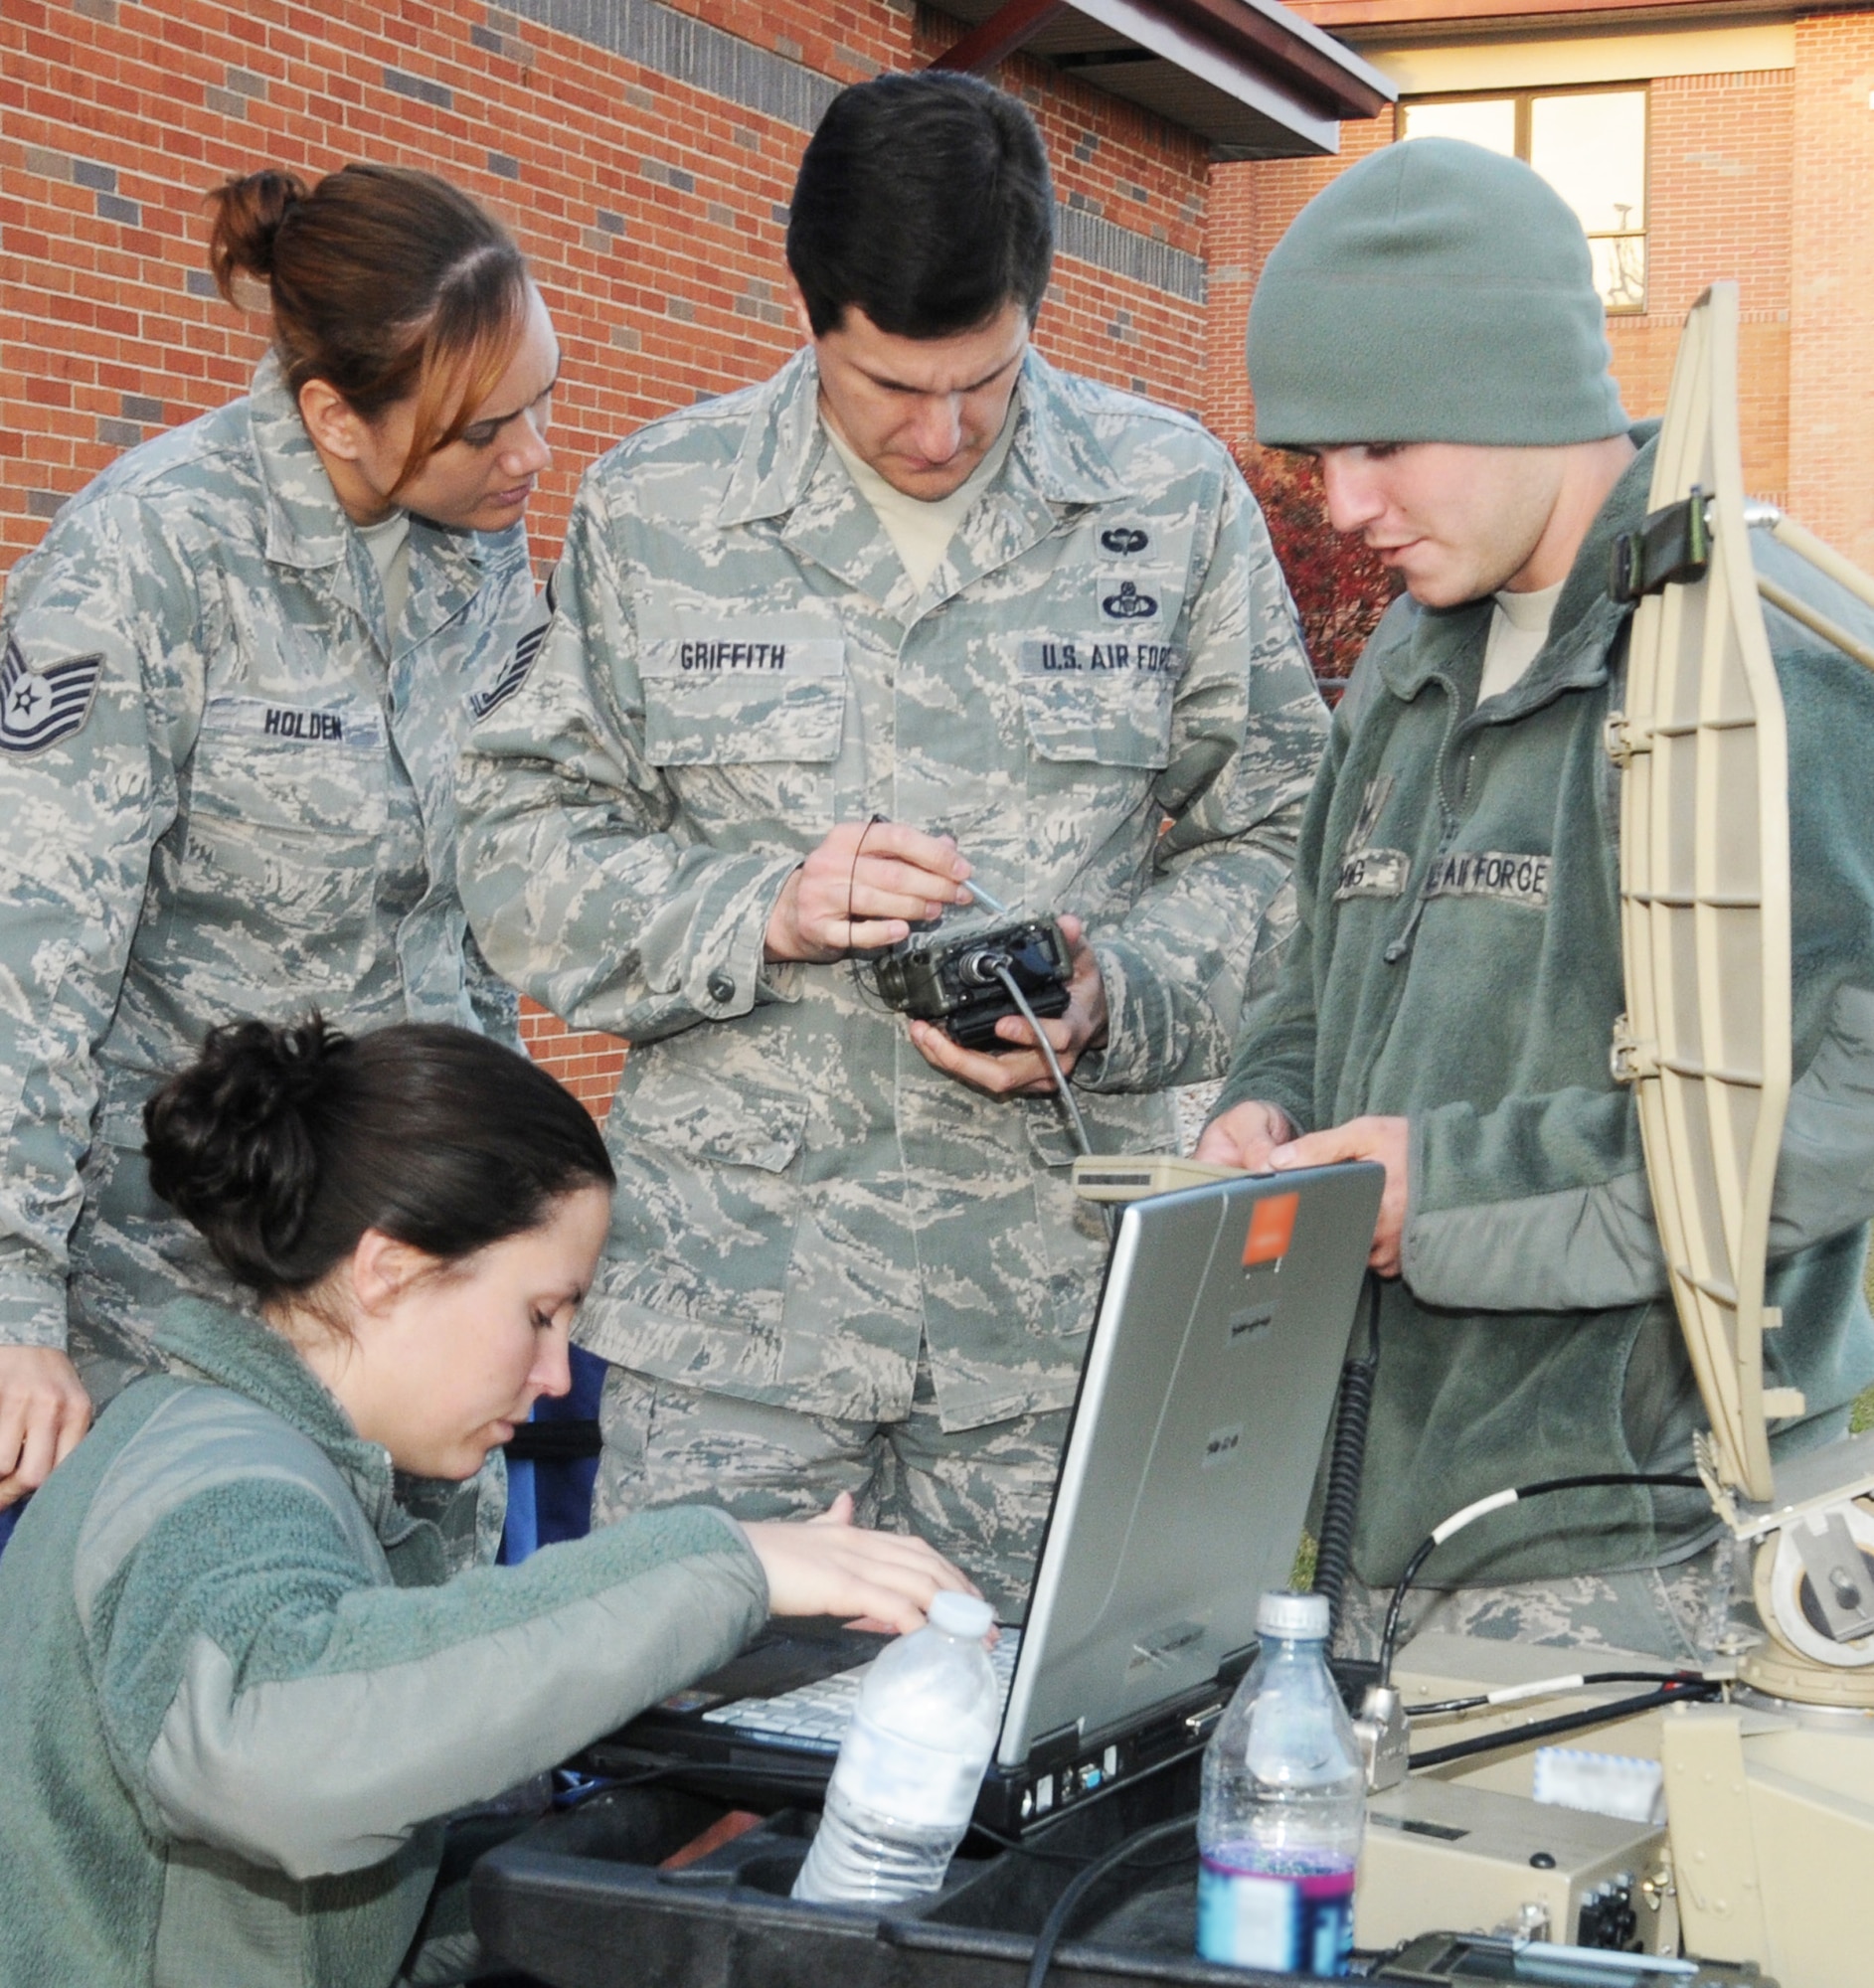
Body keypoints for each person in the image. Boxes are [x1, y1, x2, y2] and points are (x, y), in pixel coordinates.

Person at [455, 71, 1326, 1613]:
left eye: (983, 379)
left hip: (1060, 1314)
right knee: (700, 1795)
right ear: (810, 317)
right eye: (886, 386)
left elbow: (1289, 842)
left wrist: (1114, 989)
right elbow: (519, 851)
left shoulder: (1165, 498)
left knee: (1049, 1794)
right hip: (736, 1327)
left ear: (1032, 308)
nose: (938, 432)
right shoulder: (659, 509)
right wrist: (759, 909)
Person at [1197, 137, 1874, 1660]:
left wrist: (1450, 1185)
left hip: (1646, 1551)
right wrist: (1268, 1101)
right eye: (1314, 455)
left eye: (1379, 443)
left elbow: (1831, 1108)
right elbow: (1320, 962)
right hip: (1381, 1523)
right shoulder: (1404, 653)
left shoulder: (1768, 666)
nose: (1340, 503)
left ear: (1516, 389)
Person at [0, 1016, 969, 1988]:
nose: (557, 1374)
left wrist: (629, 1881)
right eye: (541, 1313)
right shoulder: (217, 1476)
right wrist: (726, 1564)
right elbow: (272, 1758)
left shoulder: (279, 1460)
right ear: (391, 1269)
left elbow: (340, 1928)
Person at [0, 163, 559, 1519]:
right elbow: (31, 951)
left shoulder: (483, 558)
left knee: (420, 1688)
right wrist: (11, 1297)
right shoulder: (150, 555)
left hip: (412, 1275)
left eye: (543, 400)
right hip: (180, 1286)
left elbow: (480, 908)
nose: (531, 455)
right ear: (335, 416)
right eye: (484, 429)